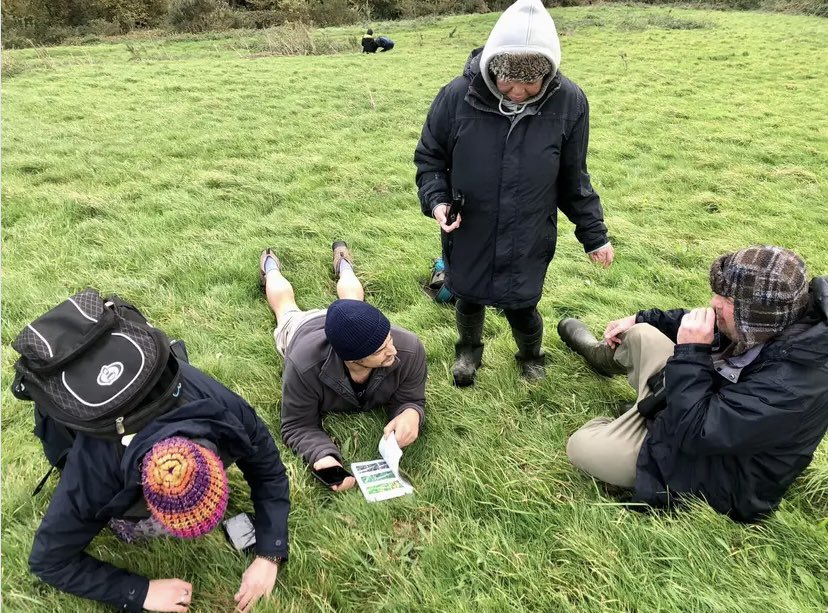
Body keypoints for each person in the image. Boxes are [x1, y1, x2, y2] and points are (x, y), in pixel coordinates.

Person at [414, 0, 613, 386]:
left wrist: (595, 235)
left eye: (530, 83)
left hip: (529, 231)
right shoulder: (456, 97)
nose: (518, 91)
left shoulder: (570, 102)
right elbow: (430, 159)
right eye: (507, 80)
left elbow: (574, 178)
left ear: (548, 74)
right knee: (467, 295)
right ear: (492, 67)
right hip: (469, 227)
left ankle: (530, 356)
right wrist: (437, 201)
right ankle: (468, 352)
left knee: (523, 304)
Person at [560, 245, 828, 522]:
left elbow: (699, 433)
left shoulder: (795, 383)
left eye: (728, 299)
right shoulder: (773, 320)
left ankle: (631, 420)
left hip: (716, 471)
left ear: (754, 319)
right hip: (706, 409)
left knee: (582, 447)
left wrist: (691, 353)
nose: (714, 302)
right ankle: (599, 355)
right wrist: (641, 318)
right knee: (640, 333)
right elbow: (712, 326)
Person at [28, 361, 290, 613]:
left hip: (131, 381)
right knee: (144, 531)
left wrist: (270, 553)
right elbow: (48, 560)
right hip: (74, 411)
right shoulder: (95, 475)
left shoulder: (225, 411)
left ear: (212, 454)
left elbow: (269, 472)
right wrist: (141, 592)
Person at [260, 241, 426, 492]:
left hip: (348, 322)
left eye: (388, 339)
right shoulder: (304, 366)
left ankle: (344, 265)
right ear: (351, 359)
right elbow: (297, 424)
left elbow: (412, 397)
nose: (392, 351)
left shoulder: (409, 347)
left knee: (353, 300)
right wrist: (323, 456)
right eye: (380, 351)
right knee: (285, 307)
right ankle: (270, 267)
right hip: (302, 330)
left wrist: (411, 412)